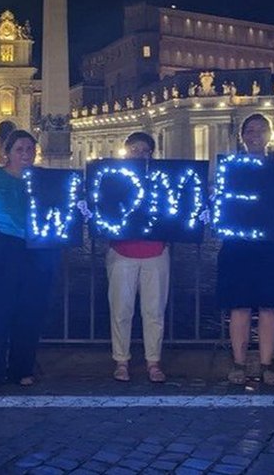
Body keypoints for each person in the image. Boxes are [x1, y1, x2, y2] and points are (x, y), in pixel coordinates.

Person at [0, 130, 70, 393]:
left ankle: (22, 368)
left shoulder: (43, 179)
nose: (25, 154)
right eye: (19, 149)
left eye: (30, 149)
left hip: (35, 248)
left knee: (30, 308)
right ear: (7, 152)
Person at [217, 113, 274, 386]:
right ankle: (239, 363)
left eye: (261, 130)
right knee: (239, 306)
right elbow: (218, 202)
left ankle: (266, 364)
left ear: (270, 135)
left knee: (269, 306)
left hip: (273, 243)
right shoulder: (229, 169)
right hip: (239, 243)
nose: (255, 135)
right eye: (250, 130)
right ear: (242, 136)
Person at [105, 132, 170, 383]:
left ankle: (153, 361)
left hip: (156, 251)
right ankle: (121, 360)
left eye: (144, 150)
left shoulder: (160, 180)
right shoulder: (115, 180)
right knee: (121, 310)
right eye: (134, 149)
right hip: (122, 251)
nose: (140, 154)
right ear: (125, 151)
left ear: (152, 154)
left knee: (154, 311)